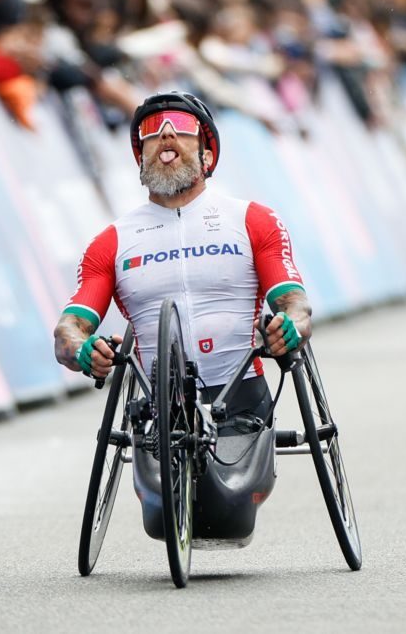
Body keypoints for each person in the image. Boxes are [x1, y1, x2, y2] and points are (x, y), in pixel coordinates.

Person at [53, 91, 312, 433]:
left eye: (184, 127)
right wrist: (84, 351)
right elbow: (66, 333)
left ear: (207, 157)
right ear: (141, 159)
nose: (166, 133)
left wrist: (289, 328)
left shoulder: (253, 220)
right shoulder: (110, 242)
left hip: (239, 397)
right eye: (151, 129)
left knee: (227, 487)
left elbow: (295, 304)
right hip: (158, 410)